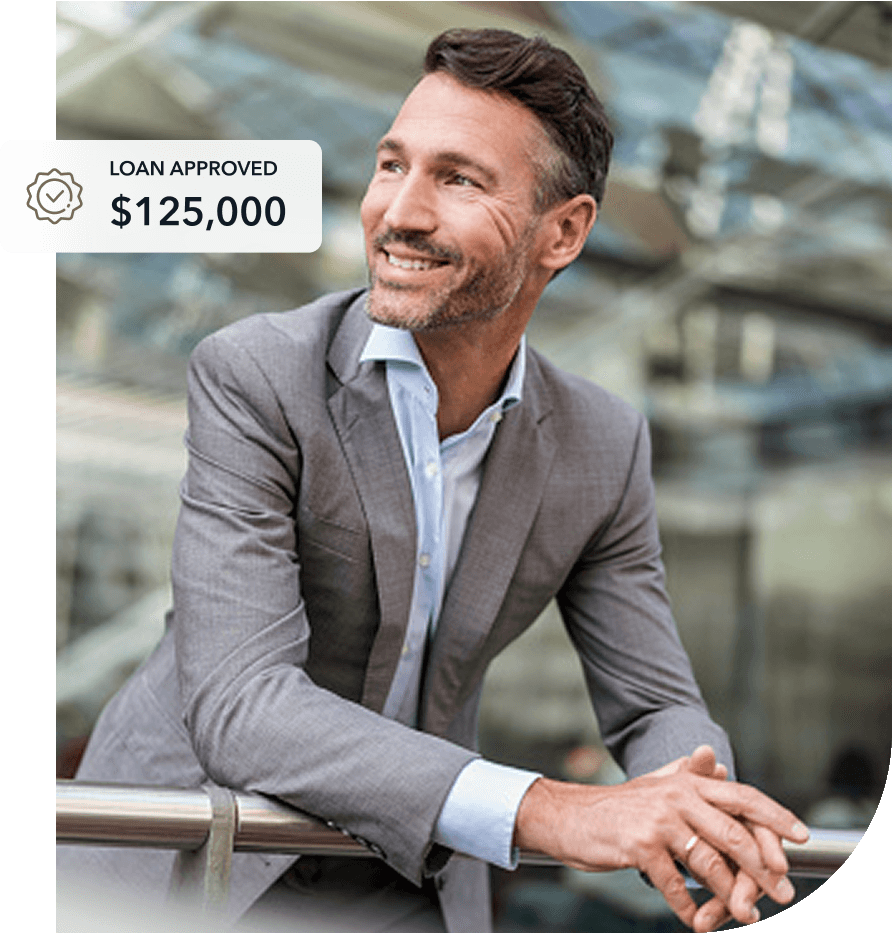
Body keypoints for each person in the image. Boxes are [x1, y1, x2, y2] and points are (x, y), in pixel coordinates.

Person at [57, 28, 809, 933]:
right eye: (390, 163)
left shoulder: (603, 443)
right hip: (201, 854)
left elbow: (653, 701)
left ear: (562, 231)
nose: (397, 212)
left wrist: (695, 809)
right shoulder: (257, 373)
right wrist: (557, 810)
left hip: (411, 874)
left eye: (457, 179)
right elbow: (242, 705)